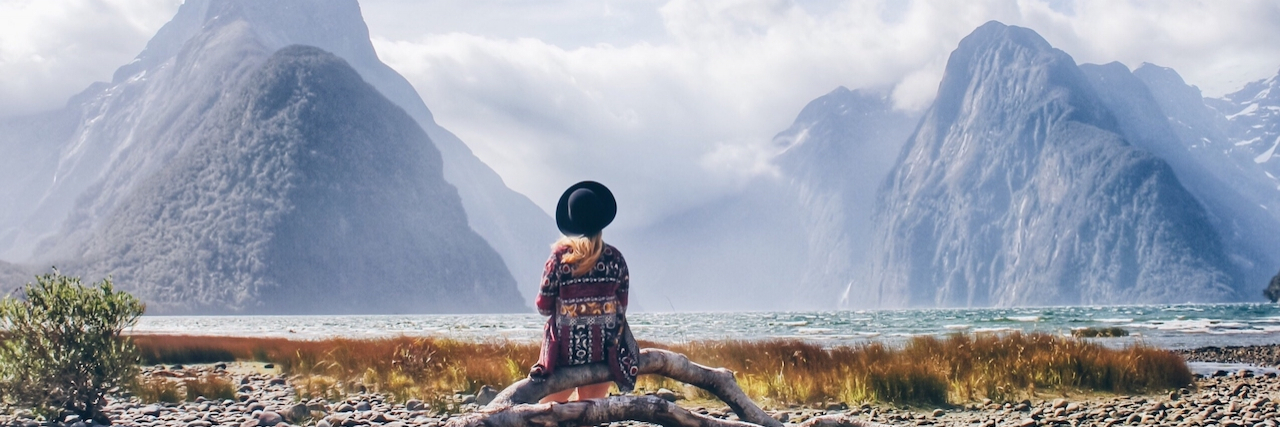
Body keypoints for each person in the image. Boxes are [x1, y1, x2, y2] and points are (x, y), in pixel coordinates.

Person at [529, 181, 640, 403]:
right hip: (604, 352)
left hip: (564, 354)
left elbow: (543, 307)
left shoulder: (559, 259)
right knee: (588, 414)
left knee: (548, 411)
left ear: (571, 222)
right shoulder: (616, 258)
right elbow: (622, 306)